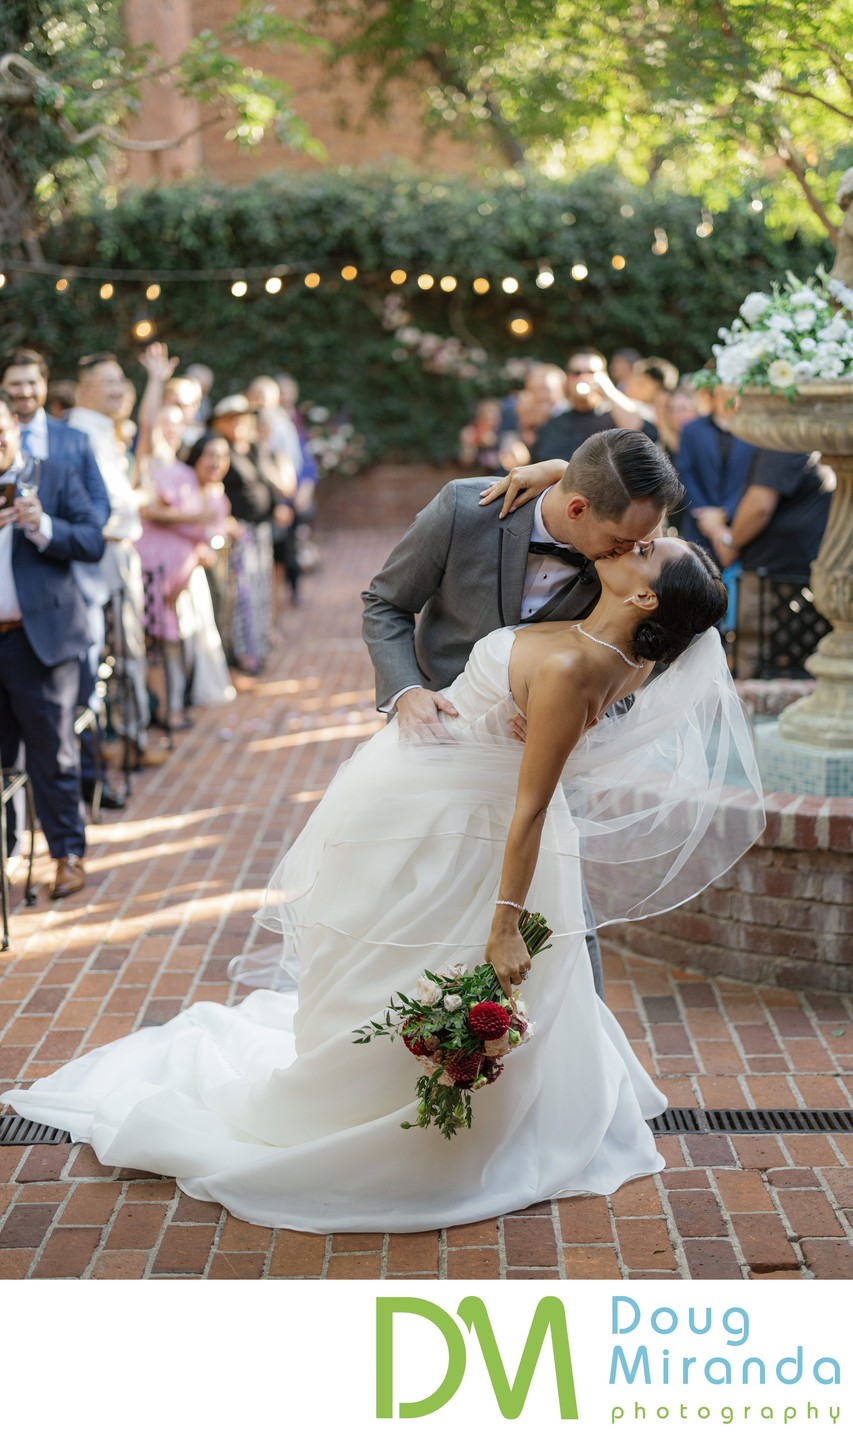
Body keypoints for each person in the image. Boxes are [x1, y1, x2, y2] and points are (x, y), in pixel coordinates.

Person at [1, 530, 763, 1232]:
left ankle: (381, 1113)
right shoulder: (626, 649)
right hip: (446, 803)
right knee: (379, 957)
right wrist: (548, 472)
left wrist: (502, 926)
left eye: (649, 547)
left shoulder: (571, 664)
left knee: (410, 955)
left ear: (644, 597)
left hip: (460, 829)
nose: (635, 539)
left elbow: (529, 809)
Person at [362, 430, 684, 998]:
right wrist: (406, 691)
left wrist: (594, 715)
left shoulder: (629, 564)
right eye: (620, 540)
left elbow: (643, 652)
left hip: (542, 760)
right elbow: (386, 604)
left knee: (561, 915)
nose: (630, 551)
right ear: (578, 508)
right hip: (440, 752)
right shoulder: (465, 509)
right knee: (417, 909)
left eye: (643, 540)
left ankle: (575, 1057)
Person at [0, 348, 121, 809]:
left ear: (46, 385)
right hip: (14, 595)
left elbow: (96, 509)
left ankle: (91, 785)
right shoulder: (4, 433)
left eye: (33, 382)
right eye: (16, 383)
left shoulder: (70, 442)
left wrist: (49, 525)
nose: (25, 391)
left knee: (74, 701)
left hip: (72, 588)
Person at [0, 391, 105, 899]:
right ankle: (6, 855)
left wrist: (42, 525)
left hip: (40, 638)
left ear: (15, 427)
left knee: (52, 752)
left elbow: (91, 541)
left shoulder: (54, 474)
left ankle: (67, 854)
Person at [68, 353, 166, 768]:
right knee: (118, 652)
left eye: (119, 380)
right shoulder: (81, 433)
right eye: (107, 382)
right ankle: (122, 747)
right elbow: (110, 505)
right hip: (103, 551)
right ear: (84, 389)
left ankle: (130, 742)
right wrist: (139, 500)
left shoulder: (102, 431)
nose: (116, 389)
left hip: (118, 549)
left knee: (127, 651)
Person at [693, 448, 833, 678]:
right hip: (794, 578)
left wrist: (728, 540)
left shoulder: (784, 439)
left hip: (774, 583)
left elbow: (760, 506)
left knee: (757, 672)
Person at [531, 349, 654, 463]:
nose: (583, 378)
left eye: (591, 372)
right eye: (577, 373)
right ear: (568, 378)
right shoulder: (554, 425)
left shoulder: (617, 416)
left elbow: (642, 435)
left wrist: (608, 390)